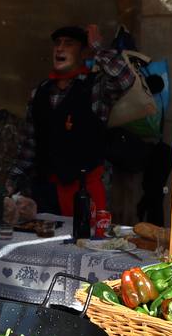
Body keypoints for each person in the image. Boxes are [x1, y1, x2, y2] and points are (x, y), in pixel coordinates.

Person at [8, 24, 135, 217]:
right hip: (45, 193)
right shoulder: (40, 91)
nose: (60, 48)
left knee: (84, 245)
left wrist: (98, 48)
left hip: (84, 193)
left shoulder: (95, 88)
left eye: (68, 44)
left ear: (83, 52)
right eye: (57, 44)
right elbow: (30, 143)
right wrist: (13, 178)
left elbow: (125, 78)